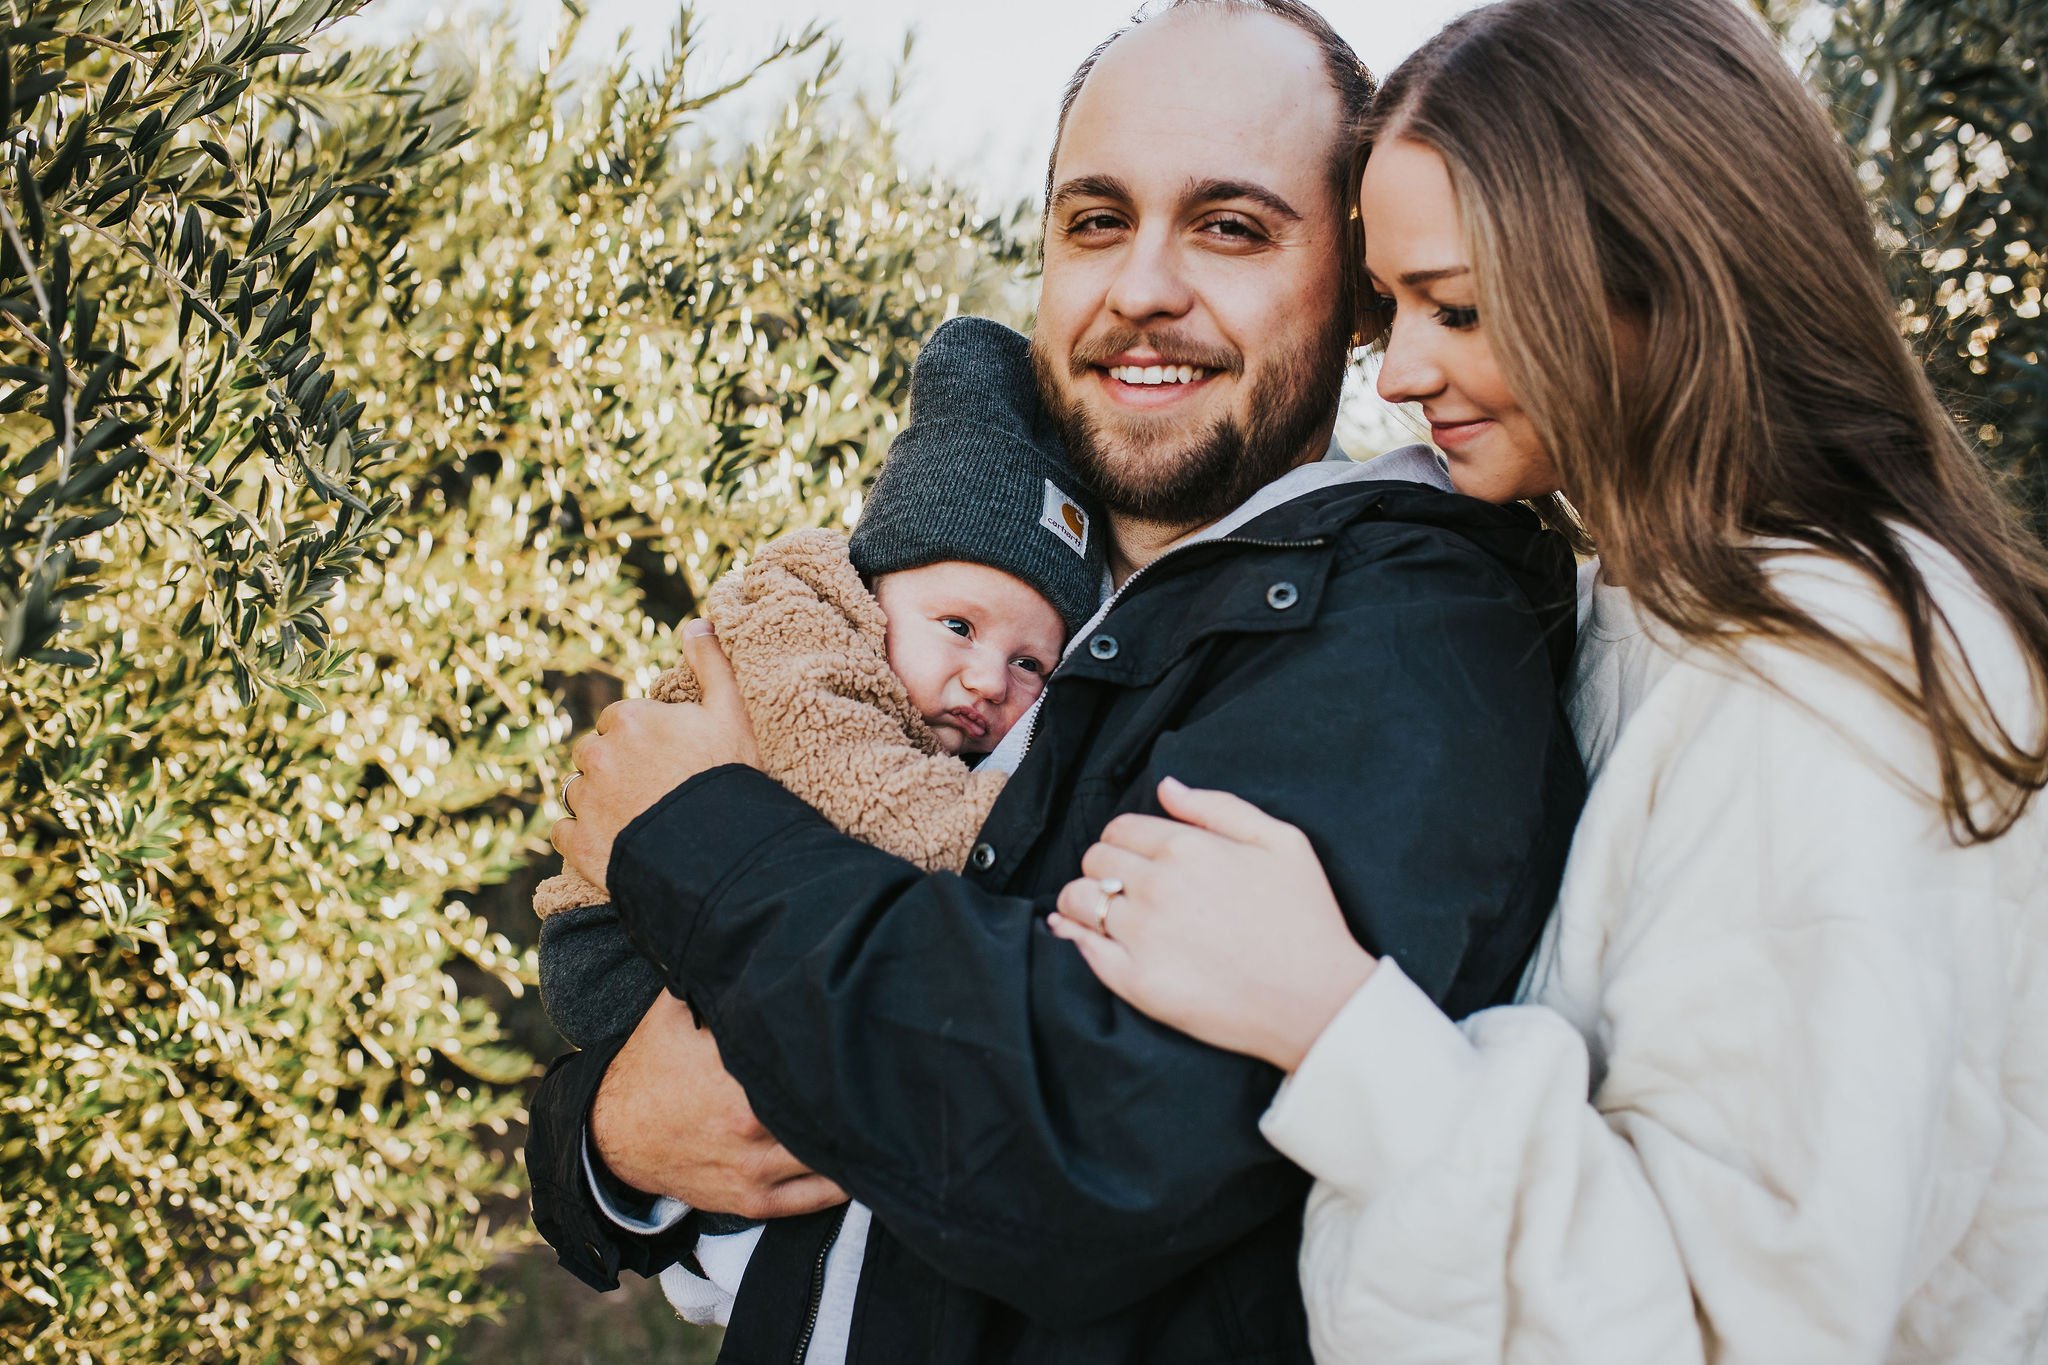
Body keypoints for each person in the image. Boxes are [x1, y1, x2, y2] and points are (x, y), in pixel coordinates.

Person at [528, 2, 1589, 1361]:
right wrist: (611, 1135)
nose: (1141, 286)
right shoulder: (985, 580)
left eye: (1231, 226)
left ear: (1364, 285)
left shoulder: (1405, 635)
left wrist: (702, 842)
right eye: (1097, 222)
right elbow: (701, 1050)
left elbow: (1093, 1151)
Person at [1046, 0, 2048, 1360]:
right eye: (1391, 306)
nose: (1398, 372)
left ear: (1667, 276)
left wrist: (1331, 1018)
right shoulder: (1634, 609)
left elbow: (1738, 1321)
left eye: (1456, 305)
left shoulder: (1833, 679)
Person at [534, 315, 1095, 1054]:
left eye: (1031, 664)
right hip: (614, 942)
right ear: (874, 588)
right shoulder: (804, 624)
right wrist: (1041, 838)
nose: (990, 677)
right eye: (958, 626)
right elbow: (862, 792)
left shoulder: (914, 691)